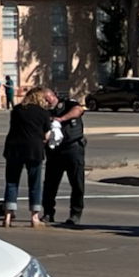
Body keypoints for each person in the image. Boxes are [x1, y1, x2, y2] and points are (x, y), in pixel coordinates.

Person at [2, 86, 53, 228]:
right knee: (34, 183)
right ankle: (34, 217)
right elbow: (46, 135)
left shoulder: (17, 110)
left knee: (12, 181)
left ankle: (8, 215)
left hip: (13, 147)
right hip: (33, 148)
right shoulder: (43, 112)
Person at [41, 89, 86, 226]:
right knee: (50, 184)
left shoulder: (67, 104)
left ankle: (75, 214)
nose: (47, 101)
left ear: (54, 95)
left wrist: (61, 119)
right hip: (54, 150)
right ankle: (48, 212)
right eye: (44, 99)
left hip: (73, 147)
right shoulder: (43, 112)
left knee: (77, 183)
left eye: (48, 98)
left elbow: (78, 110)